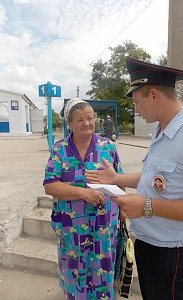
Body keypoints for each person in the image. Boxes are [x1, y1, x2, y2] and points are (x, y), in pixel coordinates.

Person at [85, 57, 183, 300]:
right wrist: (117, 177)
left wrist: (147, 206)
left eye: (137, 101)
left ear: (154, 95)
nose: (136, 109)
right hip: (149, 245)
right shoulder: (162, 130)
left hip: (173, 254)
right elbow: (157, 179)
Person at [43, 98, 124, 300]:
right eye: (80, 120)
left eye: (90, 118)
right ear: (69, 124)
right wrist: (83, 193)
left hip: (103, 224)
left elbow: (119, 179)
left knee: (103, 269)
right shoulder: (60, 150)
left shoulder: (107, 147)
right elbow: (49, 185)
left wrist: (123, 208)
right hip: (72, 227)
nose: (87, 123)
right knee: (73, 268)